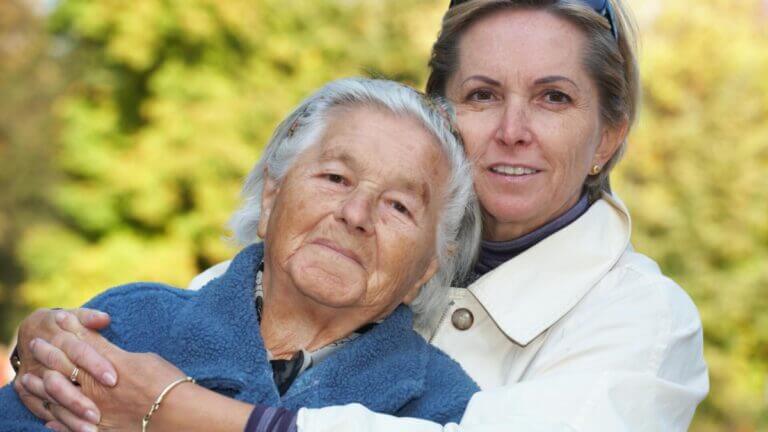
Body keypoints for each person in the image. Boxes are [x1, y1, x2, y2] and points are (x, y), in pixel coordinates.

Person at [9, 0, 710, 431]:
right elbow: (177, 328)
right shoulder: (294, 259)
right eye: (482, 95)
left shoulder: (644, 320)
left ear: (611, 134)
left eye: (554, 98)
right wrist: (53, 347)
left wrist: (180, 412)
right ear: (443, 114)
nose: (513, 130)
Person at [0, 78, 483, 431]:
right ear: (272, 195)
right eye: (335, 178)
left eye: (399, 206)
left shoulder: (444, 405)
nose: (357, 213)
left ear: (428, 266)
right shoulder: (128, 324)